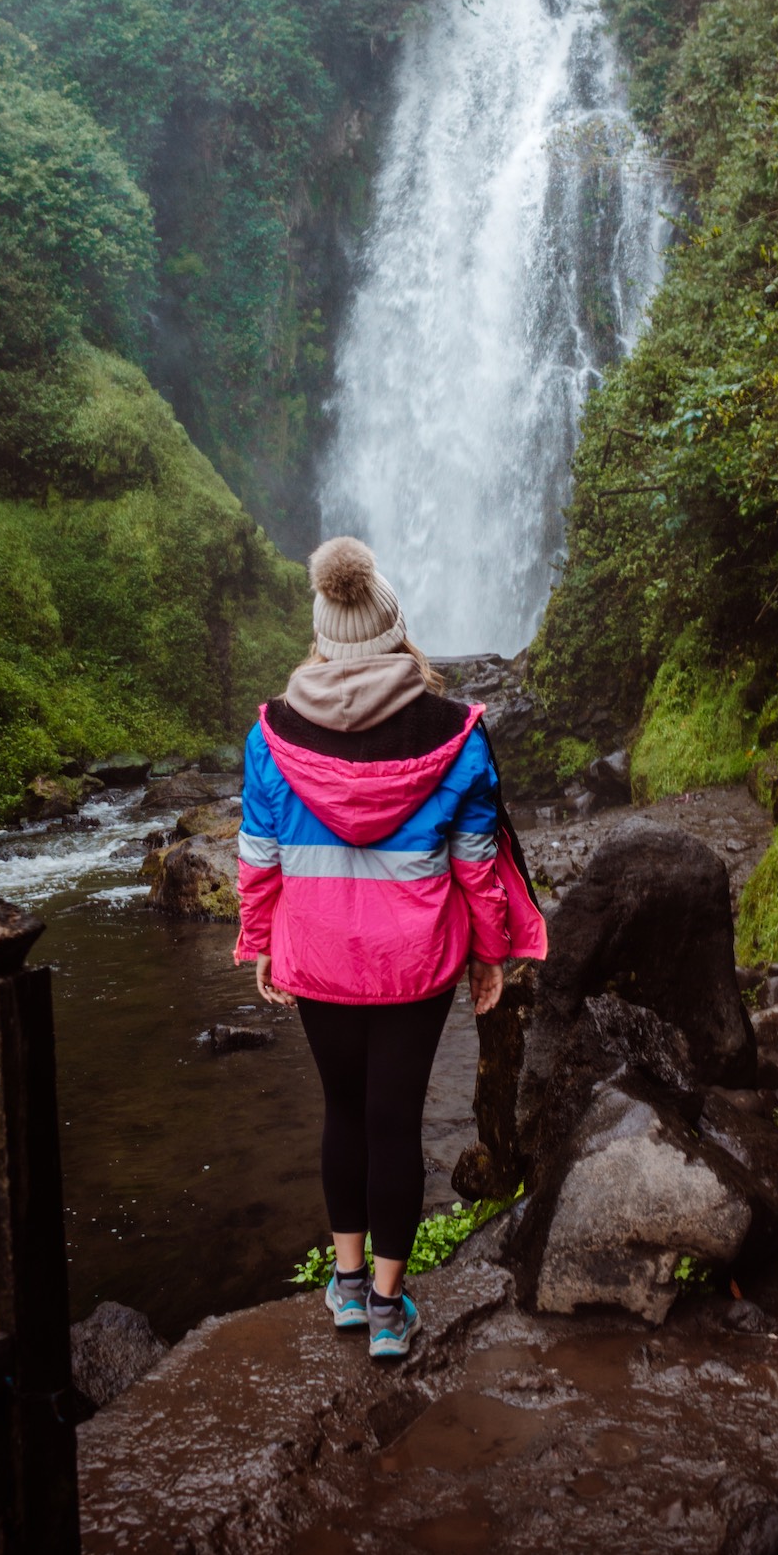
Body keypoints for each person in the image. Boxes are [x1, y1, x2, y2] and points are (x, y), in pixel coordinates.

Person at [235, 536, 546, 1359]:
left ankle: (341, 1286)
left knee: (343, 1111)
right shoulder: (457, 733)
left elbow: (258, 857)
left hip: (318, 956)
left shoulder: (270, 734)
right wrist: (490, 953)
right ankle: (384, 1307)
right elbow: (478, 864)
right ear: (393, 631)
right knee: (394, 1124)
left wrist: (260, 939)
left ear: (323, 636)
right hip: (414, 963)